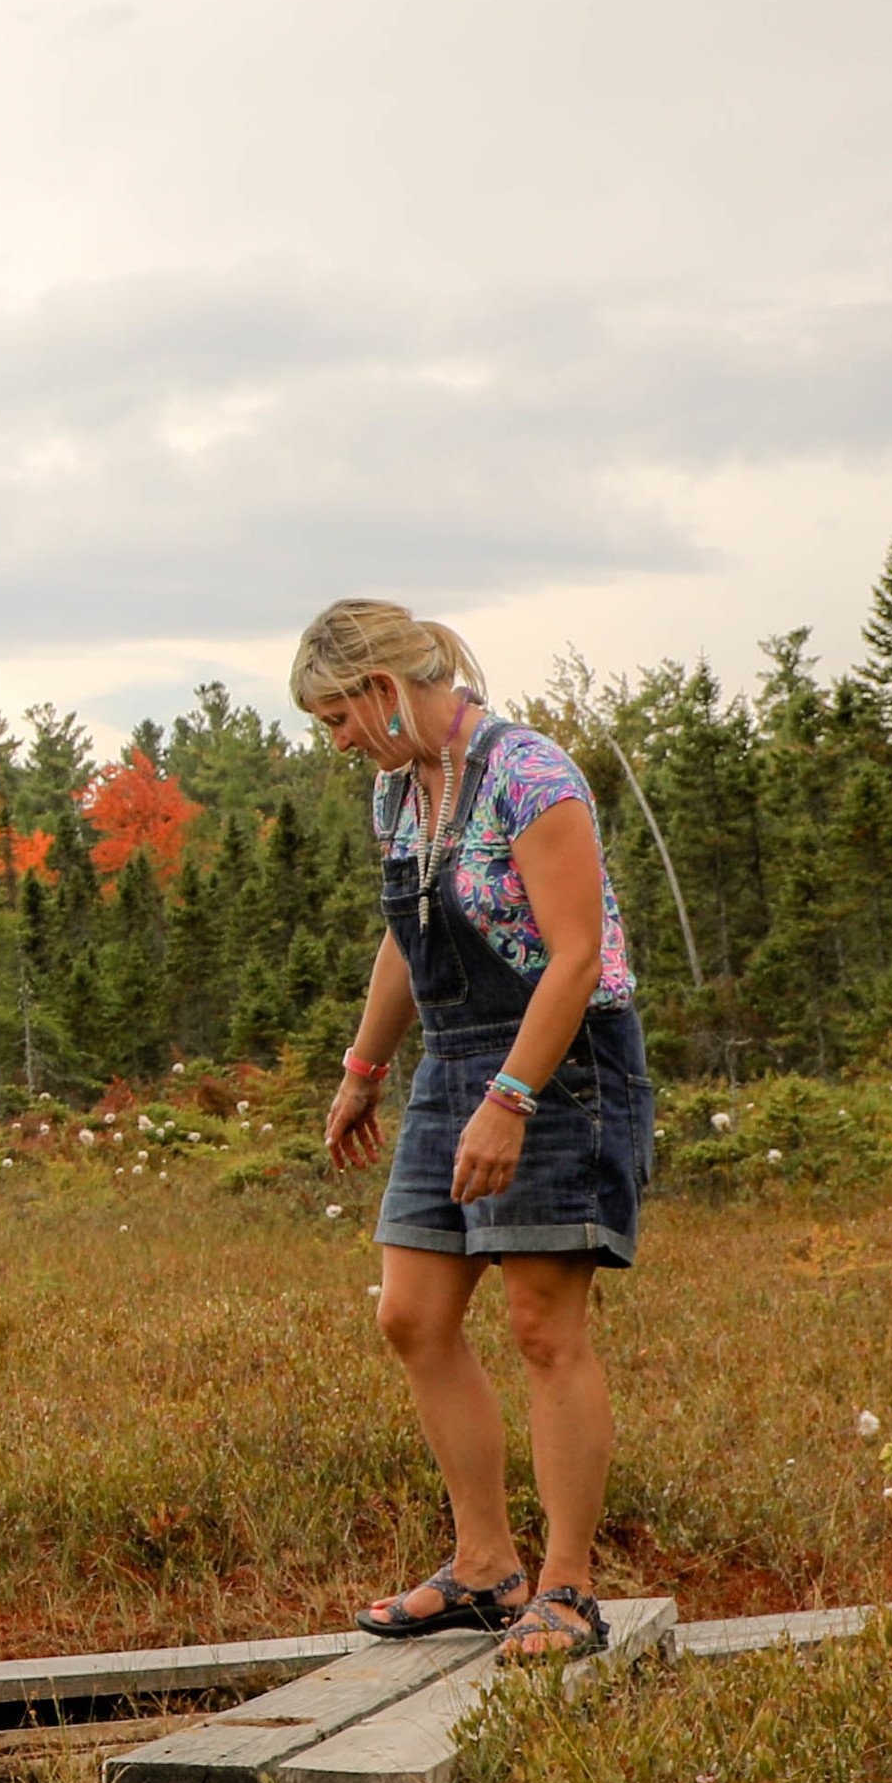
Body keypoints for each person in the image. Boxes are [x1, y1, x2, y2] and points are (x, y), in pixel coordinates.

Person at [294, 598, 650, 1663]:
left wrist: (513, 1099)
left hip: (562, 1058)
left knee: (544, 1323)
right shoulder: (400, 794)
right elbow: (410, 939)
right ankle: (486, 1567)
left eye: (338, 716)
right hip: (453, 1059)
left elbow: (577, 956)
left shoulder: (531, 775)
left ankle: (570, 1588)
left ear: (383, 688)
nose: (339, 739)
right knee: (411, 1312)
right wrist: (364, 1068)